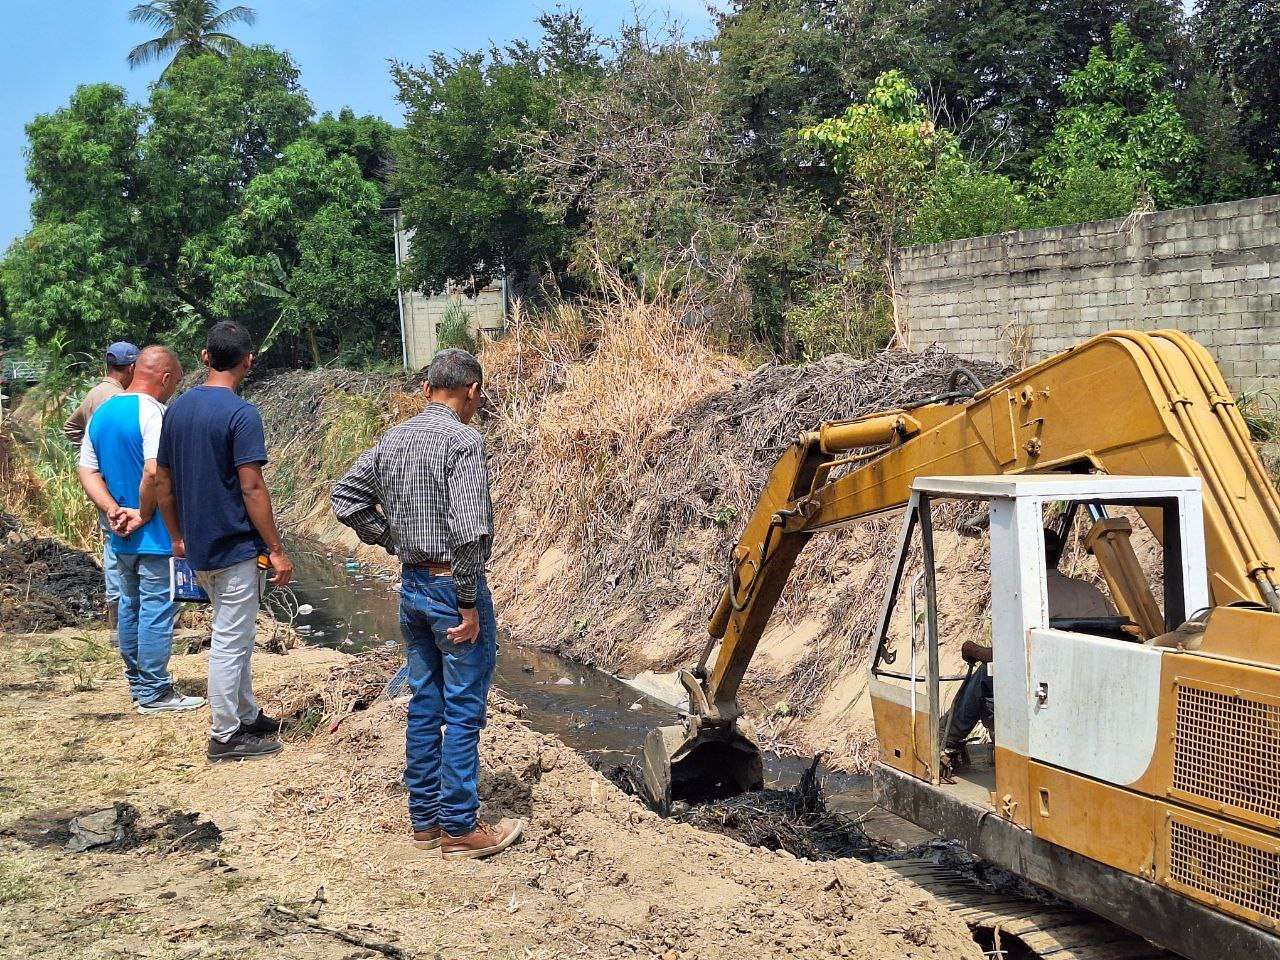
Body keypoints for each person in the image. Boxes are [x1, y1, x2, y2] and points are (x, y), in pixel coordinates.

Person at [331, 348, 524, 861]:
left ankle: (425, 821)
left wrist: (391, 539)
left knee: (424, 703)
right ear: (473, 391)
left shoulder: (393, 439)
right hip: (449, 588)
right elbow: (468, 534)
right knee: (462, 710)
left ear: (426, 389)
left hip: (412, 586)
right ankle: (460, 827)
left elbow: (344, 498)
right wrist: (468, 605)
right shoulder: (465, 441)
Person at [156, 321, 293, 762]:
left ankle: (246, 715)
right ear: (248, 361)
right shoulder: (241, 414)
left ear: (204, 357)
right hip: (234, 548)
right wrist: (276, 549)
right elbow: (251, 487)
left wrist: (176, 535)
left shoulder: (176, 410)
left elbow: (162, 480)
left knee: (238, 635)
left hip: (199, 546)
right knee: (230, 642)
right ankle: (225, 735)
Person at [76, 346, 205, 714]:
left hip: (120, 535)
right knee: (156, 610)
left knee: (130, 605)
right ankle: (155, 692)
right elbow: (153, 471)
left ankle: (137, 684)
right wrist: (144, 513)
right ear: (164, 378)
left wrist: (112, 509)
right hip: (155, 535)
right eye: (175, 381)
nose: (173, 389)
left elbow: (87, 470)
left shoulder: (102, 412)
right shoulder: (152, 412)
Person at [941, 528, 1115, 765]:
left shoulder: (1030, 598)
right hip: (1093, 685)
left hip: (1047, 689)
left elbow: (1002, 655)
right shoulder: (1091, 592)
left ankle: (947, 740)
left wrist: (972, 649)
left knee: (986, 674)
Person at [64, 341, 139, 627]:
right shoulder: (119, 399)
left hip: (98, 483)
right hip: (118, 482)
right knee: (123, 542)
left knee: (111, 541)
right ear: (131, 368)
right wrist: (100, 455)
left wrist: (89, 453)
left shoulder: (95, 393)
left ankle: (117, 611)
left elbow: (70, 427)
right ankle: (125, 613)